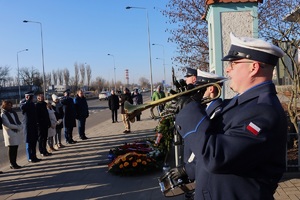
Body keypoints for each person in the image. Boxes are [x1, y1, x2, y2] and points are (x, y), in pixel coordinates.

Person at [170, 33, 287, 200]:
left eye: (233, 63)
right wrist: (194, 105)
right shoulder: (240, 103)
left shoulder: (264, 111)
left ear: (253, 67)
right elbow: (210, 137)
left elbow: (216, 156)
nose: (227, 69)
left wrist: (189, 111)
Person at [20, 91, 41, 163]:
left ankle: (34, 156)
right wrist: (27, 101)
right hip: (27, 125)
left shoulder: (32, 103)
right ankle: (30, 157)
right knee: (29, 141)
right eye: (30, 97)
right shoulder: (23, 102)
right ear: (27, 96)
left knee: (34, 141)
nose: (32, 98)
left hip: (33, 124)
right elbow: (22, 108)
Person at [1, 100, 23, 169]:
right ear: (4, 105)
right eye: (8, 105)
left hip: (16, 132)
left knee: (15, 148)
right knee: (11, 148)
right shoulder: (3, 114)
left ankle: (15, 162)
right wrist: (17, 127)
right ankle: (12, 163)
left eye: (10, 105)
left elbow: (17, 121)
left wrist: (20, 126)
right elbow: (7, 124)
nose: (10, 106)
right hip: (9, 133)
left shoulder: (13, 112)